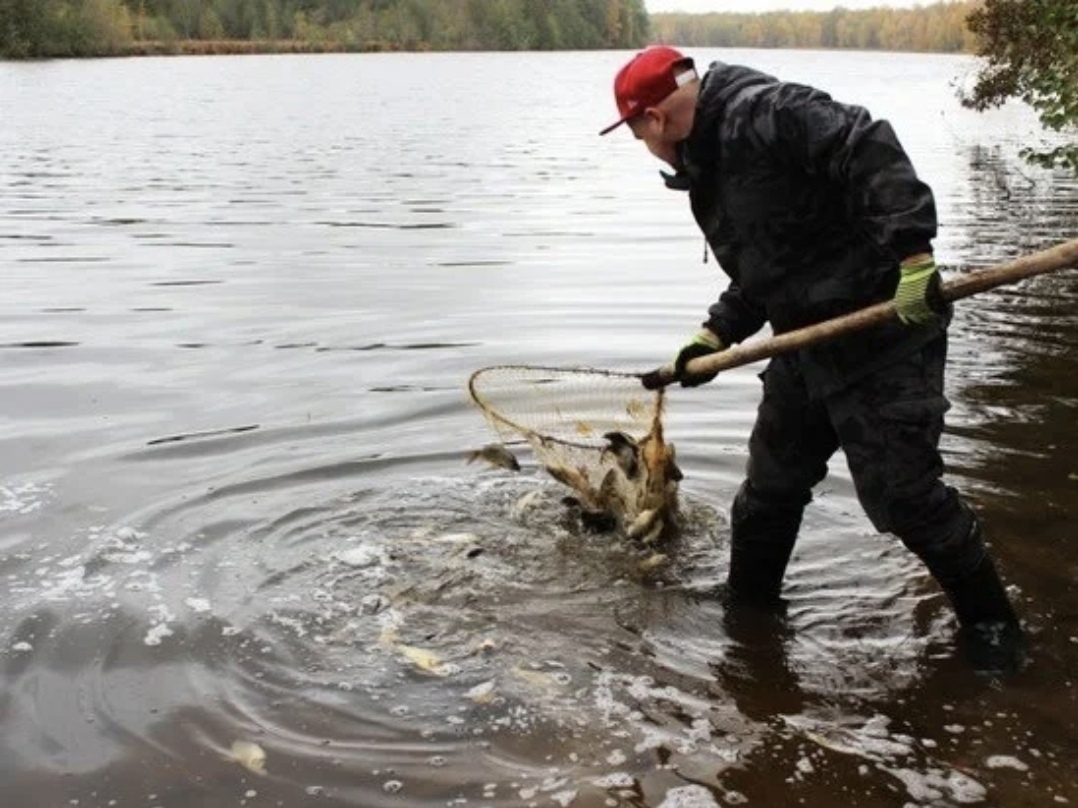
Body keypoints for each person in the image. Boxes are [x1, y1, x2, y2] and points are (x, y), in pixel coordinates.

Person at [599, 46, 1025, 675]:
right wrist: (715, 335)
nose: (642, 144)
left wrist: (913, 257)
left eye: (635, 131)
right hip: (806, 347)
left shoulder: (765, 112)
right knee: (766, 496)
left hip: (887, 336)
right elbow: (767, 267)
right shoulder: (710, 162)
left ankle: (996, 632)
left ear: (654, 119)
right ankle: (749, 619)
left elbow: (867, 142)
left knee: (907, 497)